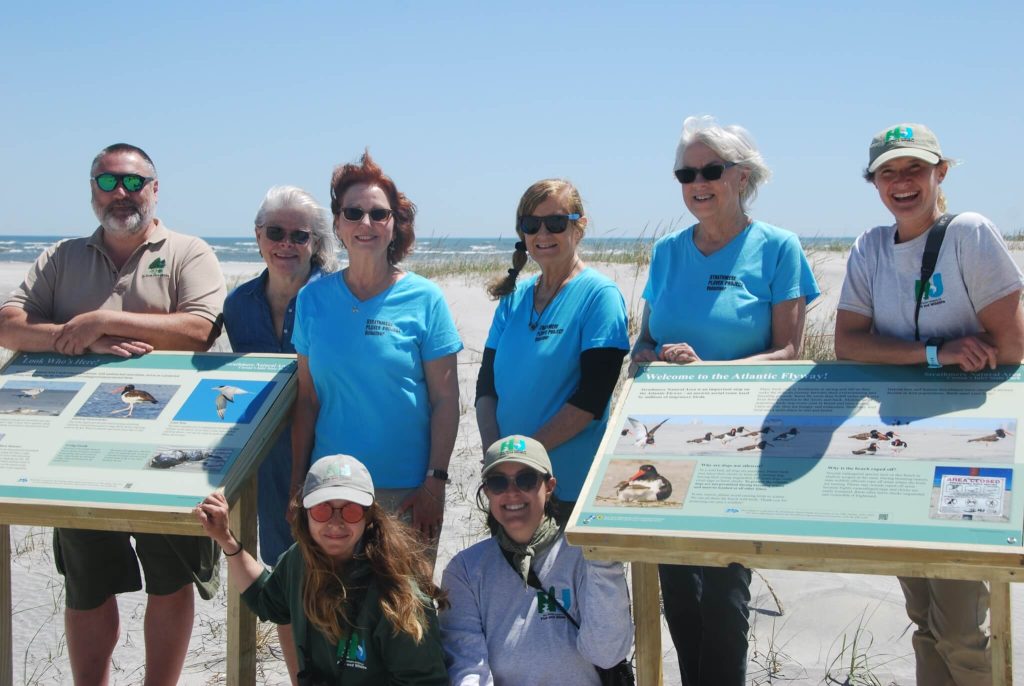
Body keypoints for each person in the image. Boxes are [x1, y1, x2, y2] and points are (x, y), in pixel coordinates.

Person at [0, 143, 225, 685]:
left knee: (169, 580)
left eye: (132, 181)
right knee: (87, 583)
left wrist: (104, 321)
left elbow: (200, 327)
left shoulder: (189, 251)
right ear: (91, 191)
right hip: (74, 449)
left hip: (167, 449)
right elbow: (8, 323)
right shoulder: (61, 257)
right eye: (106, 183)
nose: (119, 193)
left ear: (154, 188)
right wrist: (66, 335)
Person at [631, 116, 819, 686]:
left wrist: (711, 370)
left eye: (710, 170)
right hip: (662, 438)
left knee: (723, 591)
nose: (697, 183)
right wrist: (655, 358)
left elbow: (788, 351)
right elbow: (641, 346)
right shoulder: (667, 252)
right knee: (678, 593)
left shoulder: (778, 247)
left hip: (738, 441)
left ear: (742, 177)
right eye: (686, 173)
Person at [835, 123, 1024, 686]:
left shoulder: (969, 233)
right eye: (888, 172)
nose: (902, 182)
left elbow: (1011, 345)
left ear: (941, 172)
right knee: (923, 619)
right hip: (899, 450)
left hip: (972, 451)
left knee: (963, 627)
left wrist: (910, 357)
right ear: (873, 183)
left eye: (914, 168)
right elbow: (848, 342)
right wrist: (936, 354)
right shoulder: (870, 246)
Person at [290, 152, 461, 556]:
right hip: (331, 490)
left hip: (407, 492)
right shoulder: (313, 299)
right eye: (353, 212)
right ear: (336, 224)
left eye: (378, 214)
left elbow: (446, 400)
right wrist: (298, 486)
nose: (365, 223)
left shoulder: (426, 299)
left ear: (394, 225)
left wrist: (434, 482)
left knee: (405, 616)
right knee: (333, 613)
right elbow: (307, 401)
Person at [195, 453, 449, 684]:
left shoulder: (397, 592)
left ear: (369, 516)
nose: (335, 523)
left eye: (350, 511)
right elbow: (266, 599)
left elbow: (426, 681)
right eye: (322, 509)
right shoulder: (298, 559)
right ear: (304, 513)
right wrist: (226, 539)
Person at [223, 185, 339, 680]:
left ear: (315, 243)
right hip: (270, 464)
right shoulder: (238, 305)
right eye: (276, 232)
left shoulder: (337, 296)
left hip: (333, 452)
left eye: (300, 235)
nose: (286, 244)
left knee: (342, 575)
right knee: (287, 577)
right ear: (258, 236)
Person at [476, 179, 629, 525]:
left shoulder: (599, 296)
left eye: (556, 223)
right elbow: (486, 387)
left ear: (580, 226)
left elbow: (590, 401)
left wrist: (523, 460)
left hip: (569, 488)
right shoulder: (513, 299)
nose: (543, 233)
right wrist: (497, 457)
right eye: (532, 225)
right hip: (510, 486)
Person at [440, 435, 633, 684]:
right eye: (498, 483)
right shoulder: (464, 570)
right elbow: (468, 668)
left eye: (526, 480)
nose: (512, 493)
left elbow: (606, 654)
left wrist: (605, 561)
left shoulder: (587, 555)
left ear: (549, 486)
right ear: (487, 491)